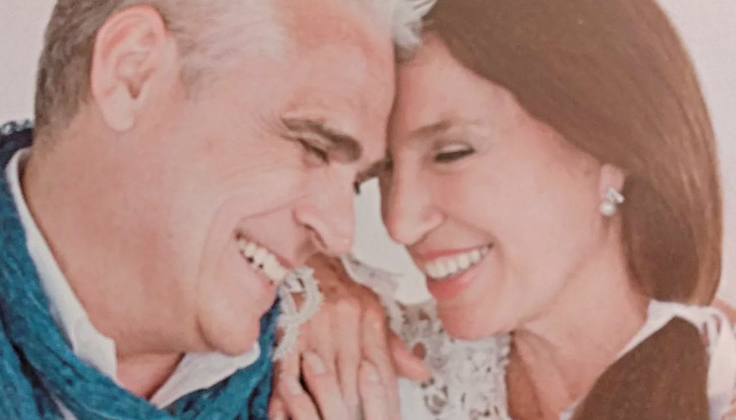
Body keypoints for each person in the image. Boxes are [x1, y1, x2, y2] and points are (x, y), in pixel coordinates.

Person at [0, 0, 428, 419]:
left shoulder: (365, 385)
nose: (339, 235)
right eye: (312, 146)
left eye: (356, 184)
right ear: (133, 73)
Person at [296, 0, 736, 418]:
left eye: (451, 154)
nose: (400, 223)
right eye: (384, 172)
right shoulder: (367, 365)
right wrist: (309, 286)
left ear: (610, 152)